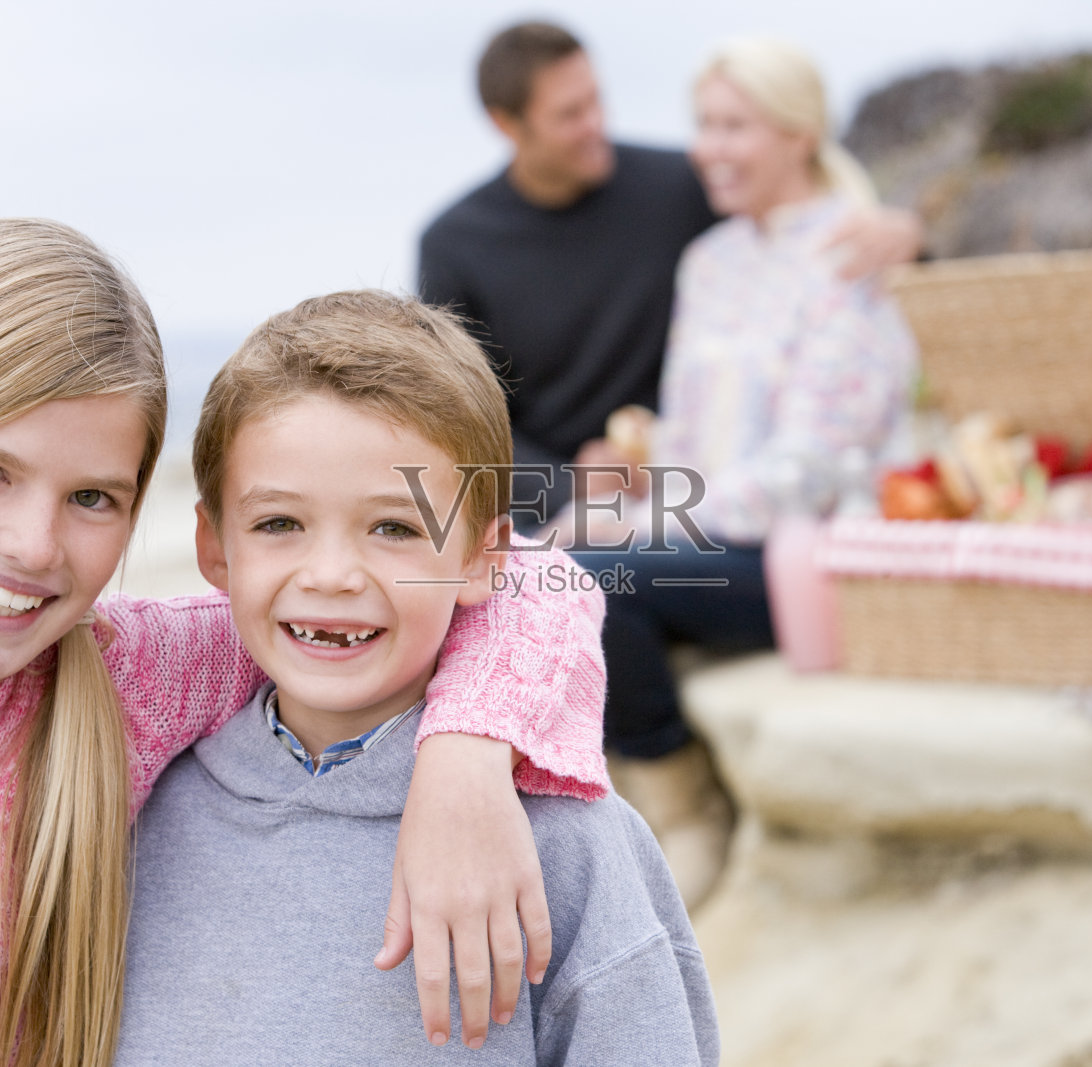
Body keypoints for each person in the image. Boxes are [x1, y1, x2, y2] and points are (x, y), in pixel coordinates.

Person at [0, 220, 609, 1066]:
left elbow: (528, 577)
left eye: (92, 496)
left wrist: (464, 759)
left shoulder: (133, 674)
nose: (32, 544)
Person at [116, 290, 718, 1066]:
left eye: (394, 528)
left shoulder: (567, 846)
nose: (330, 575)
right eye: (279, 523)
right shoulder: (137, 808)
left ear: (481, 559)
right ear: (215, 546)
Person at [561, 37, 920, 908]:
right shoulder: (710, 261)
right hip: (707, 531)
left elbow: (808, 470)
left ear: (799, 134)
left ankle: (683, 806)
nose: (708, 148)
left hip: (804, 552)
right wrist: (629, 489)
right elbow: (687, 433)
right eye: (703, 125)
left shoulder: (850, 254)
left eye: (734, 126)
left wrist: (648, 527)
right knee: (530, 552)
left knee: (590, 572)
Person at [417, 20, 921, 530]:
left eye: (597, 100)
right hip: (552, 498)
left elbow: (800, 215)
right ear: (506, 124)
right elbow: (453, 421)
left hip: (687, 512)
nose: (596, 124)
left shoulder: (682, 190)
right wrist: (567, 485)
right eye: (570, 114)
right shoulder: (455, 245)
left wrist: (913, 240)